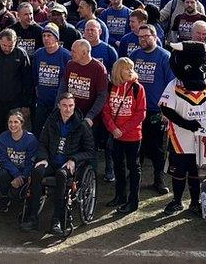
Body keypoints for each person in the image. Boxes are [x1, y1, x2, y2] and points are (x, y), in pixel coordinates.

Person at [159, 42, 206, 216]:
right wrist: (186, 124)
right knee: (178, 171)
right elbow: (166, 109)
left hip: (202, 138)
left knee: (197, 172)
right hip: (179, 137)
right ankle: (177, 201)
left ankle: (195, 202)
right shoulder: (174, 85)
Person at [20, 93, 95, 235]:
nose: (68, 109)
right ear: (59, 106)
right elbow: (42, 143)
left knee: (61, 175)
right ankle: (32, 217)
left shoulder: (82, 125)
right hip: (51, 160)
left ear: (74, 106)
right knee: (36, 172)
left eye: (71, 106)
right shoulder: (51, 121)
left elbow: (90, 151)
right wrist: (43, 158)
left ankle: (58, 220)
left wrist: (74, 159)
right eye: (65, 106)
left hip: (69, 164)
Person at [129, 24, 173, 195]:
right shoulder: (134, 55)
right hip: (135, 109)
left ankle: (158, 179)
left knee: (157, 148)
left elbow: (171, 85)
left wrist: (166, 111)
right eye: (140, 37)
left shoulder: (165, 57)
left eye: (147, 36)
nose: (143, 39)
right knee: (136, 146)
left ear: (155, 37)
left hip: (156, 110)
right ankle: (134, 176)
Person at [59, 39, 109, 177]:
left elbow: (102, 95)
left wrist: (90, 116)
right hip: (71, 115)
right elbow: (63, 86)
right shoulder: (70, 65)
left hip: (90, 119)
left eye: (74, 51)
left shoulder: (99, 68)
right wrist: (60, 105)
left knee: (89, 152)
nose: (71, 53)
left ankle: (90, 180)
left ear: (85, 52)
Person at [103, 57, 146, 214]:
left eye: (132, 68)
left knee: (133, 168)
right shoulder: (110, 86)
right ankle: (120, 196)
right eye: (126, 68)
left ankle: (133, 201)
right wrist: (113, 128)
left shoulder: (137, 88)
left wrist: (123, 129)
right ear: (118, 70)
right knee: (118, 167)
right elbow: (106, 110)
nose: (130, 71)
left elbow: (141, 113)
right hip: (115, 135)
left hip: (133, 136)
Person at [0, 29, 33, 137]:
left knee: (15, 128)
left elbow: (27, 80)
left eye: (10, 46)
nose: (7, 49)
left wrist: (26, 103)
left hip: (15, 100)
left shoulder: (21, 54)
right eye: (4, 45)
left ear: (15, 42)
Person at [32, 24, 72, 135]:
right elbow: (34, 73)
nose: (46, 38)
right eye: (44, 35)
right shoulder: (38, 54)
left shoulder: (66, 56)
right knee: (38, 128)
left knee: (57, 130)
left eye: (49, 35)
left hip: (58, 101)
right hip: (42, 100)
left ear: (56, 38)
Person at [0, 109, 37, 213]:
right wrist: (16, 174)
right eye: (10, 122)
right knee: (2, 173)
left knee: (19, 194)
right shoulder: (3, 138)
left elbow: (30, 161)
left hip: (25, 172)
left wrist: (22, 176)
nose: (12, 125)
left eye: (16, 122)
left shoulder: (31, 139)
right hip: (11, 170)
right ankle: (4, 197)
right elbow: (3, 159)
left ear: (22, 123)